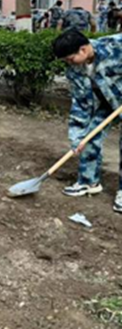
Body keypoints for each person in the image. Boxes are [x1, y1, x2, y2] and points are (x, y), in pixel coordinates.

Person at [52, 30, 122, 212]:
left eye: (69, 58)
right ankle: (89, 181)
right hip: (107, 101)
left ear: (83, 49)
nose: (68, 63)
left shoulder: (115, 47)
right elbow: (81, 103)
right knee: (88, 138)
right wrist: (77, 137)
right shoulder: (74, 69)